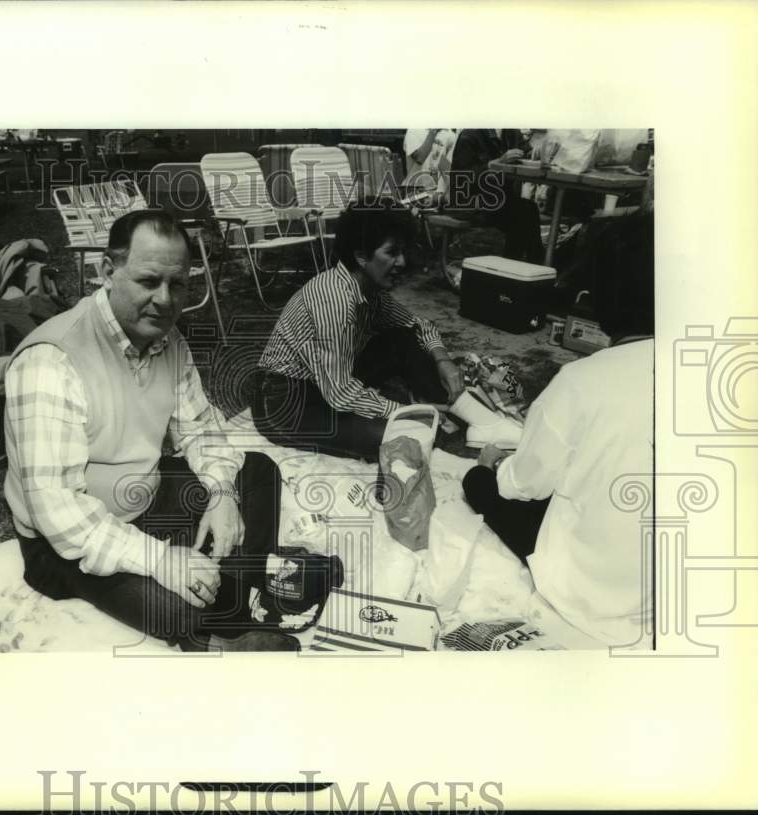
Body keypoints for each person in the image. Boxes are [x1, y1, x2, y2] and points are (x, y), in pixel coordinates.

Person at [3, 210, 286, 652]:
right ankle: (224, 610)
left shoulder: (168, 340)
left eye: (178, 284)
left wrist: (222, 496)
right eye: (148, 281)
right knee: (177, 609)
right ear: (107, 272)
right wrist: (160, 560)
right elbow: (57, 511)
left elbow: (200, 431)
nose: (165, 299)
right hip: (62, 542)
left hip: (143, 496)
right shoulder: (51, 359)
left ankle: (229, 610)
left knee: (256, 472)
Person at [462, 214, 655, 647]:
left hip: (589, 589)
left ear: (598, 296)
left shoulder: (581, 382)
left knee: (480, 484)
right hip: (666, 579)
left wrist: (493, 467)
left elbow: (522, 485)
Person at [252, 199, 523, 462]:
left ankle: (473, 416)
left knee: (402, 338)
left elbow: (418, 325)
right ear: (360, 255)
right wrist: (406, 412)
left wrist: (444, 360)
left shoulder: (368, 289)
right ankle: (439, 412)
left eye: (402, 252)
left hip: (326, 381)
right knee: (402, 439)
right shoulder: (334, 300)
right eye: (392, 253)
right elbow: (341, 393)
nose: (402, 262)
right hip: (284, 401)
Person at [448, 128, 545, 264]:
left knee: (526, 210)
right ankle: (525, 267)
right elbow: (462, 179)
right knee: (525, 212)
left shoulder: (511, 132)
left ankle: (518, 268)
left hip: (498, 201)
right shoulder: (470, 134)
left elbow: (527, 152)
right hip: (469, 202)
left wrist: (539, 151)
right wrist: (498, 162)